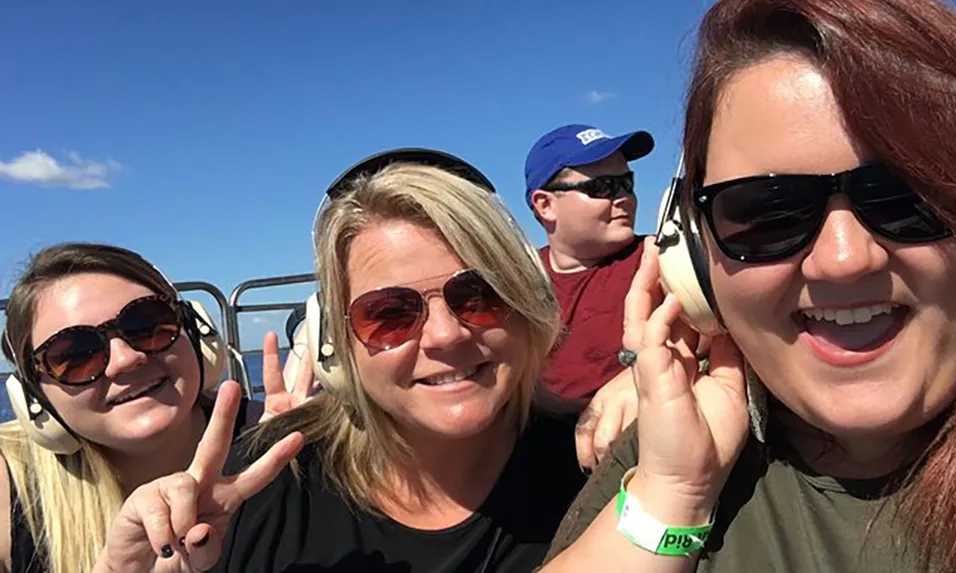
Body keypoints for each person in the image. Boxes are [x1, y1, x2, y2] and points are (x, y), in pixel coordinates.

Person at [537, 0, 956, 572]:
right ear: (695, 260)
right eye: (766, 212)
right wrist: (673, 497)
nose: (843, 260)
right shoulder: (672, 444)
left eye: (909, 197)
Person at [94, 149, 590, 573]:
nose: (444, 334)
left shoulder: (594, 463)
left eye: (479, 295)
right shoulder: (265, 482)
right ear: (335, 340)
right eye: (390, 314)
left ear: (529, 304)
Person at [0, 242, 310, 573]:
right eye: (75, 356)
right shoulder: (8, 484)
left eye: (146, 325)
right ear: (35, 398)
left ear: (196, 334)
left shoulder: (285, 444)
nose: (126, 360)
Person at [524, 124, 656, 469]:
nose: (624, 197)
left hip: (628, 461)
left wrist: (640, 376)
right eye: (602, 187)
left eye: (627, 183)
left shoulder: (661, 259)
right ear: (545, 205)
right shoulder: (515, 281)